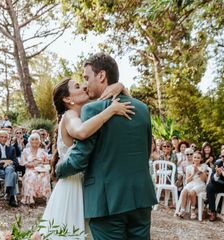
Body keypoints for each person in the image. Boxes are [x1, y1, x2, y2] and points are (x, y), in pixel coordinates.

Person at [55, 53, 157, 239]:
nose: (85, 84)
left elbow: (78, 159)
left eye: (86, 78)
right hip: (141, 197)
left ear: (101, 76)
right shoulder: (143, 109)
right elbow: (147, 150)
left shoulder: (92, 110)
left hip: (107, 201)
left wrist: (58, 169)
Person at [39, 77, 134, 238]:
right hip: (73, 187)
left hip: (83, 185)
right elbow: (81, 132)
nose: (84, 86)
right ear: (68, 99)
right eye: (77, 86)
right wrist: (111, 110)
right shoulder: (70, 115)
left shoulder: (85, 113)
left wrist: (120, 85)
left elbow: (104, 93)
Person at [20, 133, 51, 205]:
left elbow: (46, 162)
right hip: (30, 169)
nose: (34, 141)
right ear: (29, 141)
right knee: (31, 176)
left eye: (36, 139)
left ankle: (46, 197)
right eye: (32, 139)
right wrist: (31, 164)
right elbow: (23, 162)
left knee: (45, 176)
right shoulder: (25, 151)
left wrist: (41, 163)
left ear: (39, 141)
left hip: (41, 170)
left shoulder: (42, 151)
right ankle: (30, 198)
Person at [177, 151, 208, 219]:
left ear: (201, 159)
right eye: (195, 157)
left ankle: (193, 210)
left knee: (192, 192)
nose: (196, 159)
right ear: (192, 158)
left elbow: (204, 179)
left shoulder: (203, 166)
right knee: (184, 191)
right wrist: (193, 174)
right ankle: (183, 210)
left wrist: (198, 171)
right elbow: (187, 180)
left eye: (198, 158)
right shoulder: (189, 167)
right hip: (192, 183)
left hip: (200, 183)